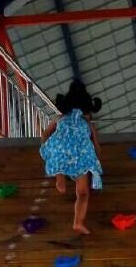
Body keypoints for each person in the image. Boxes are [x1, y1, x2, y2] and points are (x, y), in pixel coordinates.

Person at [40, 79, 103, 235]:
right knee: (82, 193)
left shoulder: (60, 118)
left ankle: (59, 176)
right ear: (88, 108)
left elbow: (45, 134)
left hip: (60, 150)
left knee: (58, 155)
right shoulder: (88, 124)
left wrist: (46, 148)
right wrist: (95, 162)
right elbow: (96, 146)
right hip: (81, 154)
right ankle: (78, 222)